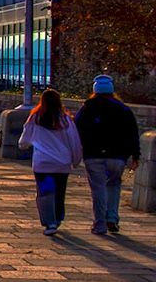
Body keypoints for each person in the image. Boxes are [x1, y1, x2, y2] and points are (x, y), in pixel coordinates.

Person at [76, 75, 143, 236]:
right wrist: (135, 155)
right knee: (114, 185)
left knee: (98, 189)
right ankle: (112, 217)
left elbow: (77, 131)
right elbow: (132, 133)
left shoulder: (87, 108)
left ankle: (99, 224)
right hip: (117, 156)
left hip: (93, 155)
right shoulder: (123, 109)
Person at [18, 88, 85, 236]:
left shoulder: (35, 118)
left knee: (44, 193)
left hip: (43, 163)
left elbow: (24, 141)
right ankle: (58, 218)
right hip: (62, 163)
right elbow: (74, 141)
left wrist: (24, 146)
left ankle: (49, 222)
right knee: (59, 193)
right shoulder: (66, 120)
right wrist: (76, 160)